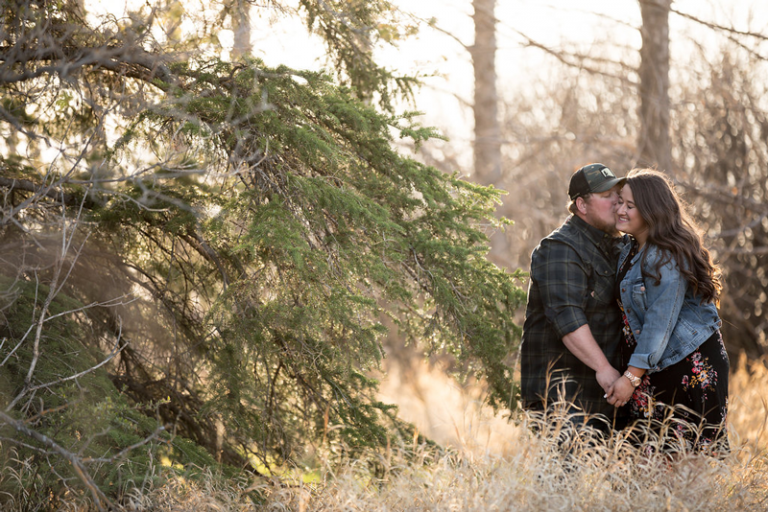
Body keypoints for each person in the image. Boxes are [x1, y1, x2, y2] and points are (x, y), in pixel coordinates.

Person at [605, 169, 729, 454]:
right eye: (620, 202)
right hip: (653, 365)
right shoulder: (631, 248)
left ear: (651, 210)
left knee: (686, 461)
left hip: (687, 364)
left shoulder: (664, 256)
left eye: (630, 205)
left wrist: (631, 378)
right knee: (651, 459)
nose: (620, 210)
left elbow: (658, 325)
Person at [520, 163, 629, 433]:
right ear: (582, 205)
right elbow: (567, 318)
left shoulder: (617, 245)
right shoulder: (560, 248)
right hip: (562, 398)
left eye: (617, 195)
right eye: (606, 196)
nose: (616, 203)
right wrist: (604, 368)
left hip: (603, 395)